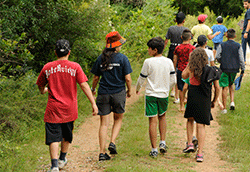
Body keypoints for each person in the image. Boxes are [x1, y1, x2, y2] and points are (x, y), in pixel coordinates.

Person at [36, 39, 98, 172]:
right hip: (69, 109)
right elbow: (84, 85)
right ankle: (62, 159)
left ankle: (54, 166)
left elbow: (40, 84)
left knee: (53, 137)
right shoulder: (75, 67)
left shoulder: (47, 67)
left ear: (55, 53)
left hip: (53, 109)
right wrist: (93, 103)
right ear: (69, 52)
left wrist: (43, 91)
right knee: (67, 135)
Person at [90, 31, 133, 161]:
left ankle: (102, 153)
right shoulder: (123, 58)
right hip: (118, 92)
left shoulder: (100, 58)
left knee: (104, 124)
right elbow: (128, 78)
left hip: (103, 93)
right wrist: (129, 91)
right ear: (116, 46)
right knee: (118, 119)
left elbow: (96, 77)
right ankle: (112, 142)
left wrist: (93, 89)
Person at [136, 37, 176, 158]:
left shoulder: (148, 62)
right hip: (163, 94)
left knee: (152, 120)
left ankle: (154, 149)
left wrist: (137, 88)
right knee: (162, 116)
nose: (148, 50)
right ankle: (162, 142)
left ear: (154, 50)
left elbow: (142, 78)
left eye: (149, 48)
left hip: (151, 94)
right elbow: (173, 80)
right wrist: (167, 89)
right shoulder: (168, 61)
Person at [182, 48, 221, 162]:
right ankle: (200, 153)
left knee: (190, 120)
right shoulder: (211, 70)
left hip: (193, 96)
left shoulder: (191, 68)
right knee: (201, 125)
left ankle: (189, 143)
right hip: (204, 98)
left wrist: (189, 64)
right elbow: (217, 87)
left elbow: (184, 76)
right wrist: (214, 101)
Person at [216, 29, 245, 114]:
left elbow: (217, 56)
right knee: (231, 85)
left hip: (224, 68)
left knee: (224, 87)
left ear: (226, 36)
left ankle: (224, 108)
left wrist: (222, 61)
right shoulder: (238, 46)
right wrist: (242, 69)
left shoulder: (222, 45)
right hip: (234, 69)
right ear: (235, 36)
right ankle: (232, 102)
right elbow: (241, 59)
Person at [164, 12, 189, 103]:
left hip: (172, 49)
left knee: (172, 69)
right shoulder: (186, 29)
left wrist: (161, 51)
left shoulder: (171, 28)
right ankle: (177, 92)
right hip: (182, 50)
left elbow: (166, 41)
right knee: (180, 70)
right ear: (184, 20)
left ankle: (172, 90)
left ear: (175, 20)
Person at [173, 29, 196, 112]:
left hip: (180, 69)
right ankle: (189, 104)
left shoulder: (177, 48)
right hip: (190, 70)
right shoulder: (193, 48)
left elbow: (175, 60)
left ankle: (181, 106)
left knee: (181, 88)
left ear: (181, 37)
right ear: (190, 38)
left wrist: (174, 69)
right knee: (190, 88)